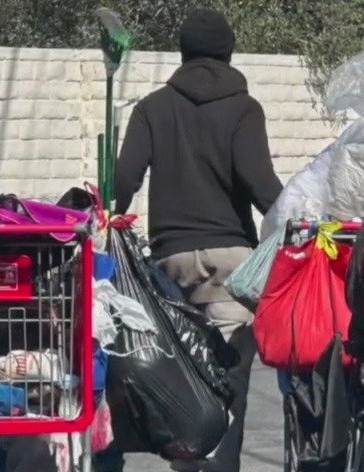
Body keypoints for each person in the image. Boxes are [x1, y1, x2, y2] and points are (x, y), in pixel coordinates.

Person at [114, 8, 283, 472]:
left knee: (183, 384)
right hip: (231, 266)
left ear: (183, 54)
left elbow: (122, 179)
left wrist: (107, 211)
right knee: (229, 384)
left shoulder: (152, 107)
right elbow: (259, 183)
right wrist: (300, 221)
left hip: (170, 267)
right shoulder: (244, 109)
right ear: (229, 53)